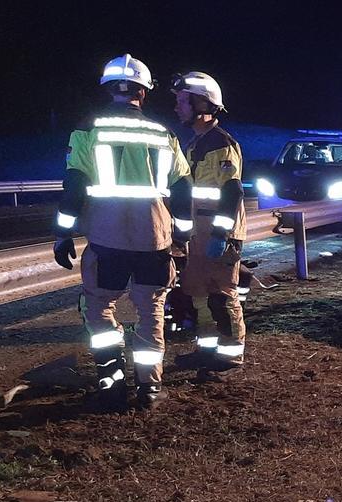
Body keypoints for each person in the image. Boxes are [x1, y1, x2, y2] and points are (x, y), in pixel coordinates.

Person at [53, 54, 193, 411]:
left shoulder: (87, 130)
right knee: (151, 312)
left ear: (107, 88)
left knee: (99, 306)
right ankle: (150, 390)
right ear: (143, 92)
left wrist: (63, 233)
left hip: (106, 239)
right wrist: (184, 236)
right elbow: (182, 189)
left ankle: (111, 381)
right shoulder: (164, 133)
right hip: (155, 239)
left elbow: (74, 185)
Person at [169, 71, 248, 375]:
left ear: (202, 103)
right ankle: (207, 350)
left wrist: (220, 233)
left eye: (182, 100)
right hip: (199, 233)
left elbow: (232, 191)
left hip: (218, 233)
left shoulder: (220, 143)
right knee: (198, 294)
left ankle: (230, 356)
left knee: (221, 295)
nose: (177, 107)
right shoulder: (195, 144)